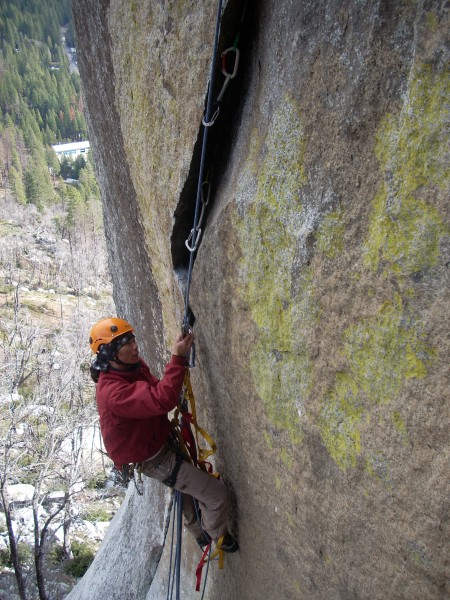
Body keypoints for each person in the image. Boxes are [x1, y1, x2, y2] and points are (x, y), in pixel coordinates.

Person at [88, 317, 238, 552]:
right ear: (109, 353)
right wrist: (177, 359)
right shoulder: (112, 392)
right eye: (125, 343)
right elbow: (160, 399)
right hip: (153, 458)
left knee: (185, 488)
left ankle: (198, 532)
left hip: (157, 439)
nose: (135, 346)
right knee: (216, 495)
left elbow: (155, 390)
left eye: (133, 339)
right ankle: (217, 535)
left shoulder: (132, 366)